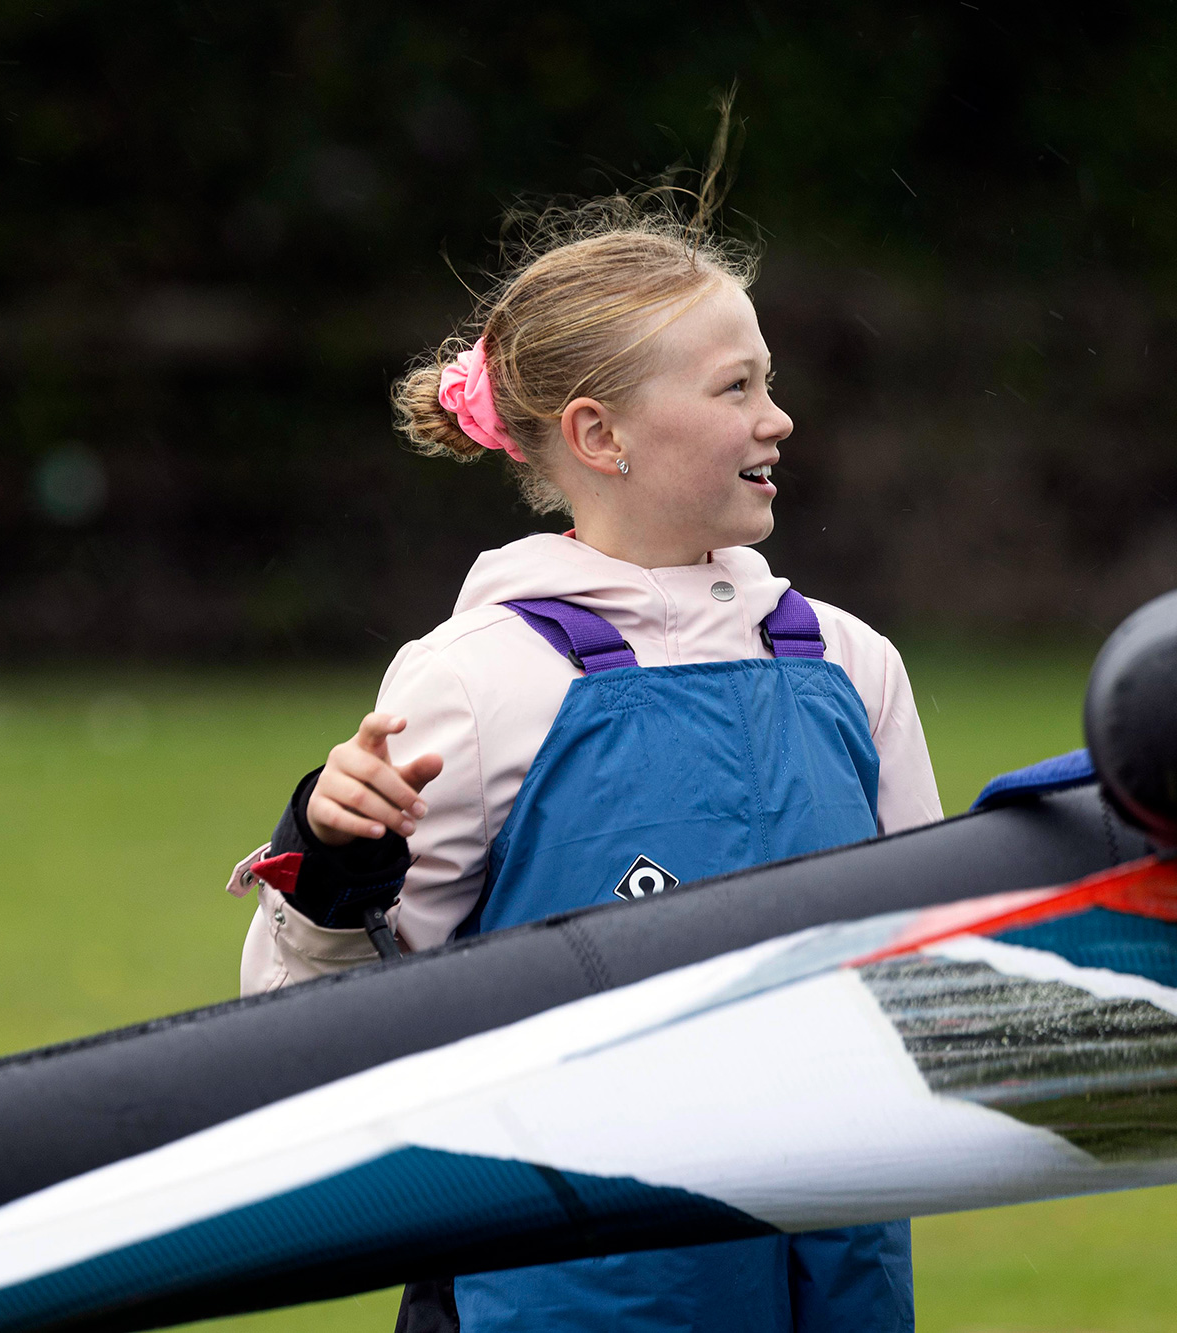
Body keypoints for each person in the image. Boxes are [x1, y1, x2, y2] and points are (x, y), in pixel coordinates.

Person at [224, 184, 941, 1332]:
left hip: (836, 1283)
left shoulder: (851, 665)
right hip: (550, 1293)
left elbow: (936, 969)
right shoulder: (473, 680)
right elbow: (306, 1020)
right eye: (735, 388)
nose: (778, 418)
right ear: (597, 435)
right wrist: (326, 859)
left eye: (770, 380)